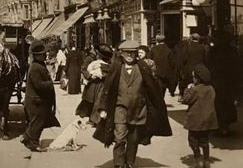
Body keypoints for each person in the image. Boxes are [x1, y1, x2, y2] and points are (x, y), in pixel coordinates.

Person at [94, 40, 172, 168]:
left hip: (139, 110)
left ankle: (129, 162)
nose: (130, 56)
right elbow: (107, 89)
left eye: (132, 53)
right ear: (122, 54)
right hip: (120, 109)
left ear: (137, 54)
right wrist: (103, 108)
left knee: (133, 139)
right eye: (127, 53)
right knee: (119, 138)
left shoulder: (143, 68)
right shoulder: (116, 68)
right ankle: (119, 164)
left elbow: (152, 88)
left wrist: (155, 107)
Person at [21, 41, 60, 152]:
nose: (45, 55)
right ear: (37, 55)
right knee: (38, 122)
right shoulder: (35, 68)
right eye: (43, 54)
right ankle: (30, 141)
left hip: (38, 101)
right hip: (36, 102)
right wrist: (50, 83)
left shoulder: (39, 65)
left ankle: (28, 138)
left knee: (39, 122)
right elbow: (39, 85)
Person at [182, 64, 218, 168]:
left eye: (193, 77)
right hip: (207, 120)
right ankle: (206, 160)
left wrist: (187, 89)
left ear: (197, 78)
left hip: (195, 120)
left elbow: (186, 100)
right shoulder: (211, 88)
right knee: (205, 140)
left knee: (193, 140)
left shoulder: (195, 89)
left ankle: (198, 159)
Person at [208, 32, 238, 136]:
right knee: (228, 102)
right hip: (229, 80)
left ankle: (221, 124)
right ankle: (225, 124)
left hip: (218, 80)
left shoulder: (214, 50)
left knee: (219, 102)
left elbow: (209, 64)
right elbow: (237, 65)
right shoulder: (232, 50)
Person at [76, 43, 113, 126]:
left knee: (98, 101)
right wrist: (90, 76)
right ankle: (91, 117)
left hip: (101, 84)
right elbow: (84, 68)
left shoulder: (109, 62)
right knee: (90, 101)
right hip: (92, 83)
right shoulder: (89, 58)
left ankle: (96, 120)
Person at [179, 33, 206, 102]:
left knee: (187, 83)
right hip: (199, 68)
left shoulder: (188, 47)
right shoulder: (202, 47)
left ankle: (186, 97)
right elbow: (204, 58)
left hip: (188, 68)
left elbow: (184, 58)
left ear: (191, 38)